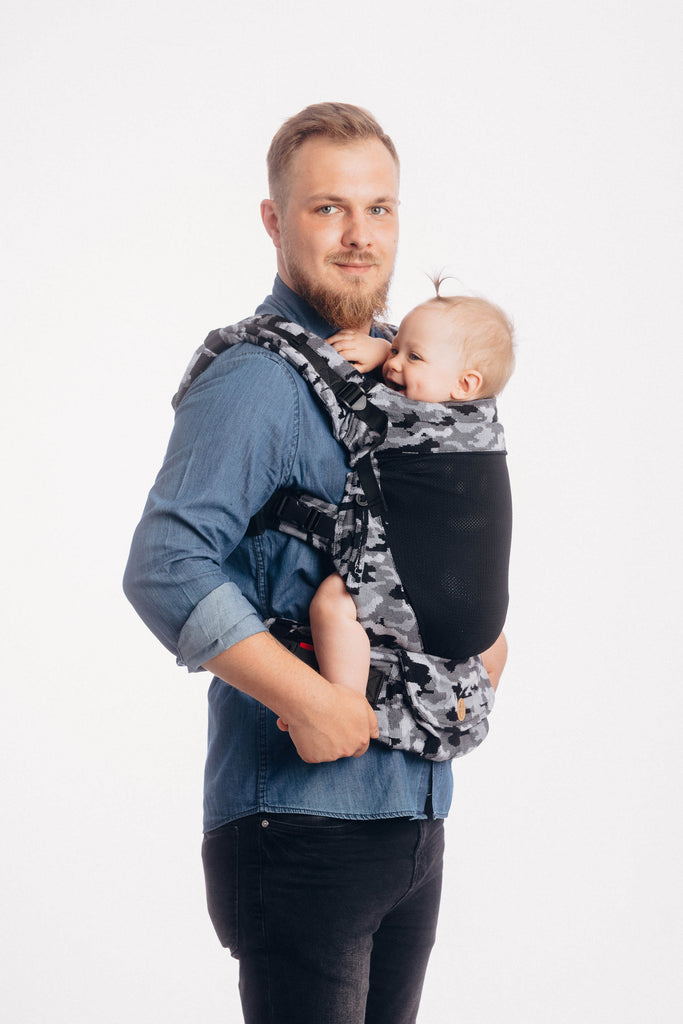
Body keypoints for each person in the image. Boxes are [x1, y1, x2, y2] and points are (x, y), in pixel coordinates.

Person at [123, 102, 507, 1024]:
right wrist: (311, 700)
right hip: (301, 821)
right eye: (328, 208)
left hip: (412, 813)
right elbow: (166, 562)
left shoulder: (410, 377)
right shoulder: (258, 378)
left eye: (379, 208)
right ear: (274, 220)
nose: (358, 234)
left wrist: (482, 647)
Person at [308, 290, 514, 700]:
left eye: (413, 357)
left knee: (332, 603)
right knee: (494, 647)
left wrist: (376, 347)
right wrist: (389, 348)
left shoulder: (408, 419)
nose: (393, 364)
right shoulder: (483, 421)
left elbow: (349, 393)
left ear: (464, 383)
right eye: (396, 348)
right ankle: (467, 708)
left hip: (425, 604)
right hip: (484, 623)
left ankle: (345, 704)